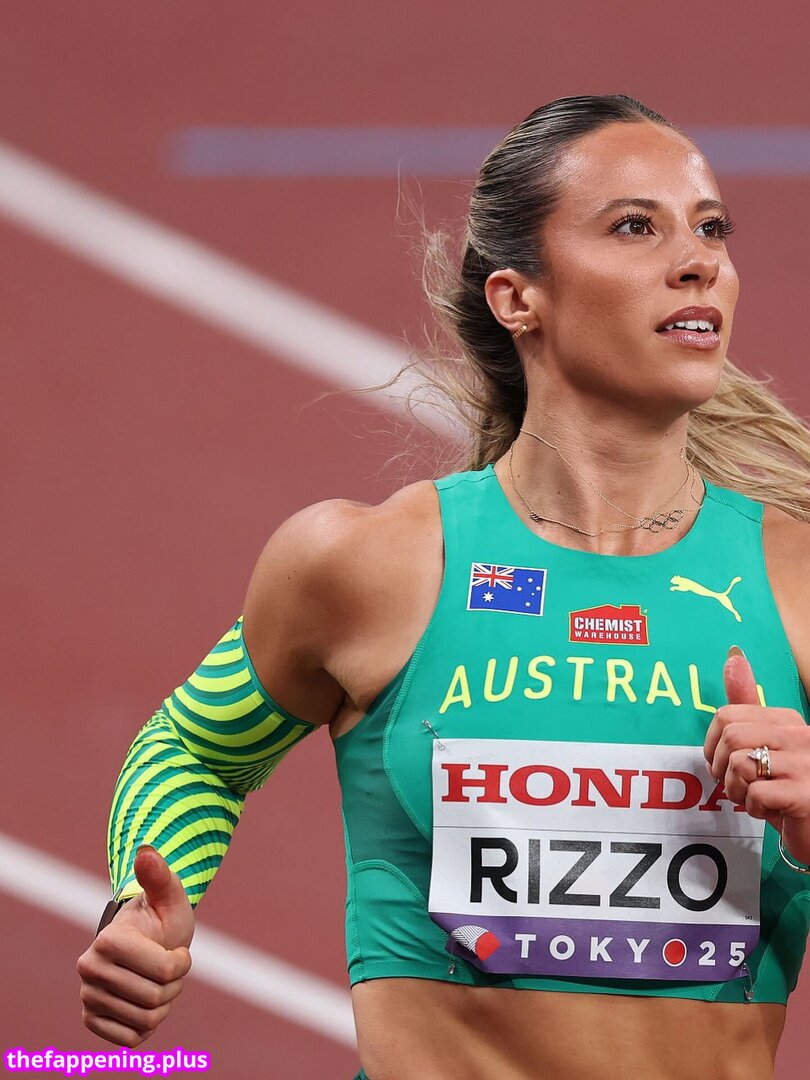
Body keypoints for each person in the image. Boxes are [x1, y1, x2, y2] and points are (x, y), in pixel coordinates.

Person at [77, 94, 810, 1080]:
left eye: (711, 228)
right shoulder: (373, 566)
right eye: (636, 226)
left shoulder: (796, 584)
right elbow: (195, 752)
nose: (699, 262)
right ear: (517, 298)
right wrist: (140, 902)